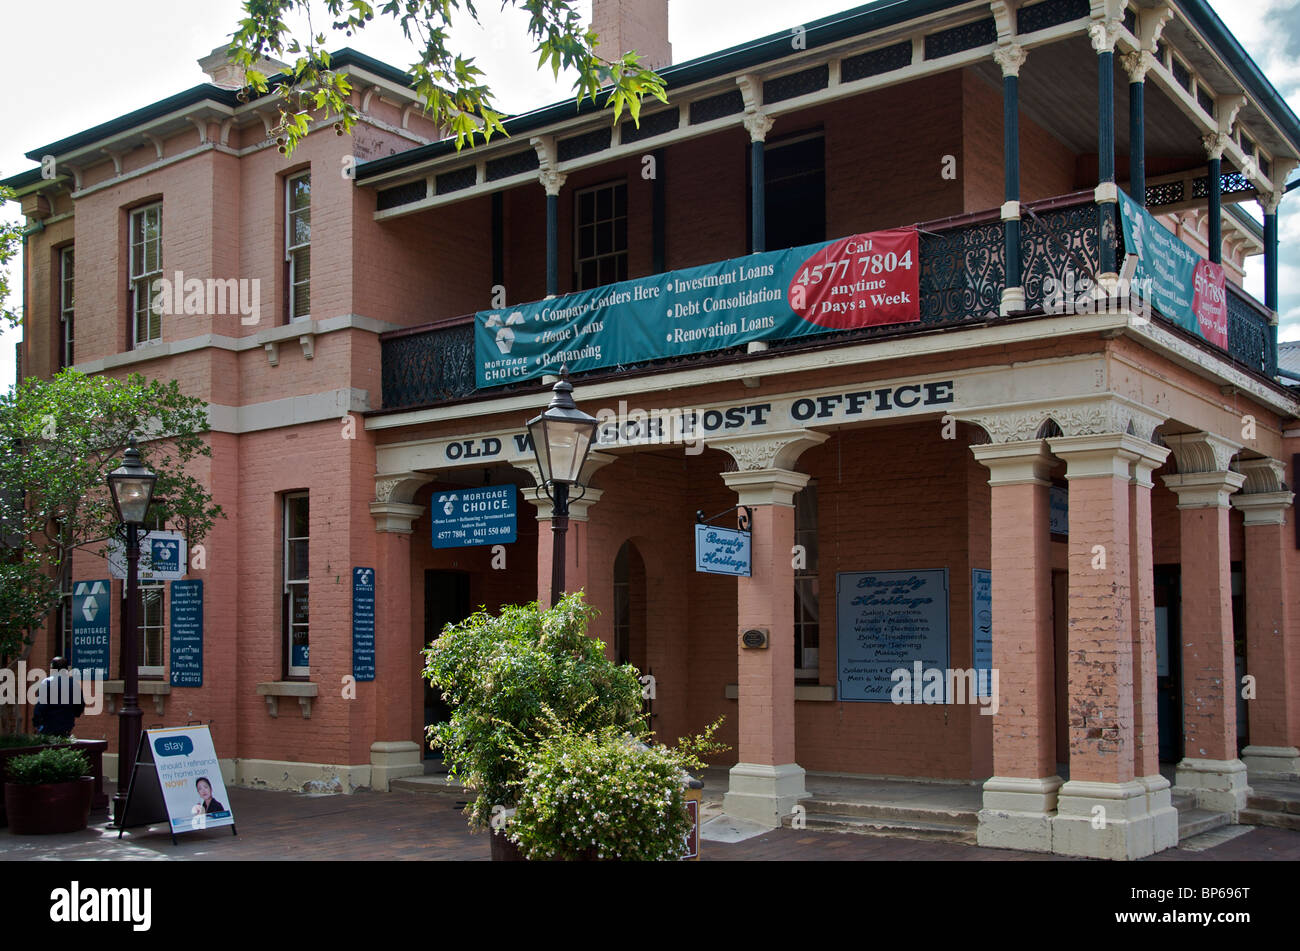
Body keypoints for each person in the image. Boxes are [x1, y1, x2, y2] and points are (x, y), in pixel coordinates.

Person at [32, 657, 84, 736]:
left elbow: (40, 706)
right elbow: (80, 706)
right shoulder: (74, 684)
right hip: (67, 725)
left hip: (48, 727)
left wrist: (37, 724)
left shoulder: (47, 683)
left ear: (52, 668)